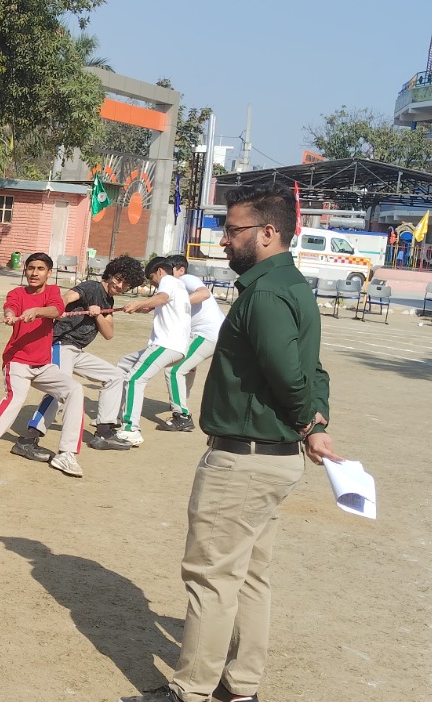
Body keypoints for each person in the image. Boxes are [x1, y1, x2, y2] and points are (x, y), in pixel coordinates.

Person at [120, 184, 340, 702]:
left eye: (234, 229)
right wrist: (316, 422)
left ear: (268, 233)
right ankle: (242, 686)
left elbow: (289, 373)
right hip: (271, 459)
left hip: (245, 459)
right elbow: (314, 370)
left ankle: (192, 690)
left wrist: (308, 423)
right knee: (250, 576)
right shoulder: (290, 285)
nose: (223, 239)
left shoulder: (265, 294)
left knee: (212, 576)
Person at [0, 253, 83, 476]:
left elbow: (57, 309)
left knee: (74, 389)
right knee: (14, 399)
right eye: (30, 268)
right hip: (17, 362)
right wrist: (10, 315)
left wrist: (37, 311)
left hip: (43, 365)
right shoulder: (17, 293)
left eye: (40, 269)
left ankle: (67, 453)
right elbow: (10, 306)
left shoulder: (53, 292)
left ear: (49, 273)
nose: (34, 273)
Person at [16, 255, 147, 458]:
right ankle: (27, 440)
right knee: (62, 389)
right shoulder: (91, 287)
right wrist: (58, 309)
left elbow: (109, 334)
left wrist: (98, 314)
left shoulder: (108, 300)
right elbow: (67, 297)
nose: (120, 286)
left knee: (115, 376)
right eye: (119, 279)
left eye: (126, 284)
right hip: (61, 345)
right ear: (111, 274)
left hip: (77, 350)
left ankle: (104, 433)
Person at [102, 256, 191, 448]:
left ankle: (130, 429)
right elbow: (153, 305)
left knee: (135, 379)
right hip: (175, 347)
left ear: (159, 271)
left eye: (151, 278)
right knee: (125, 363)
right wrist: (136, 307)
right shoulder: (179, 287)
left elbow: (162, 298)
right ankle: (115, 415)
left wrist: (138, 303)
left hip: (167, 345)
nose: (152, 283)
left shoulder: (168, 281)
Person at [160, 255, 224, 433]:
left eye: (170, 270)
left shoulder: (186, 279)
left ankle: (182, 416)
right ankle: (181, 400)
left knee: (173, 370)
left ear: (181, 270)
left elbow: (204, 293)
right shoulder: (175, 285)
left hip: (208, 334)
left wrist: (176, 302)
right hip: (208, 334)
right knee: (187, 367)